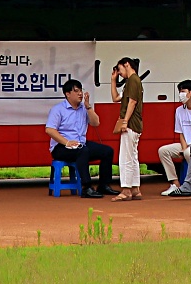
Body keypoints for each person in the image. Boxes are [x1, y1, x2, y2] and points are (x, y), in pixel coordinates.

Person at [46, 79, 115, 197]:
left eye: (81, 90)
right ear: (68, 94)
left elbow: (95, 123)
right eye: (76, 91)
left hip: (80, 144)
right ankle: (86, 187)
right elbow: (50, 130)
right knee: (83, 151)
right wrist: (67, 142)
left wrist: (88, 107)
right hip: (61, 147)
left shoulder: (84, 108)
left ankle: (103, 185)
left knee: (107, 151)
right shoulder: (58, 109)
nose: (80, 94)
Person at [160, 80, 191, 195]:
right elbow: (181, 133)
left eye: (183, 91)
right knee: (163, 151)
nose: (180, 94)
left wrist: (188, 148)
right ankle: (175, 184)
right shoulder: (179, 110)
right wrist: (183, 148)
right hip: (185, 145)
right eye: (180, 91)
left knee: (189, 153)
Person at [111, 57, 145, 200]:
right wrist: (113, 81)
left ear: (126, 65)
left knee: (125, 157)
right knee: (133, 157)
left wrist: (125, 121)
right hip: (135, 124)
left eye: (119, 70)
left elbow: (132, 102)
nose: (119, 73)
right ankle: (135, 188)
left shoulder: (132, 80)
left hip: (130, 124)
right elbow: (115, 98)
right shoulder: (133, 81)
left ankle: (126, 190)